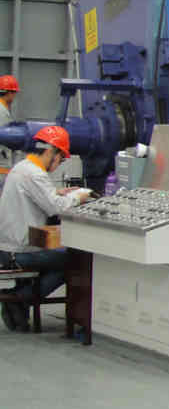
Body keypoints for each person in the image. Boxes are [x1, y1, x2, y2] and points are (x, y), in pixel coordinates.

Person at [0, 125, 90, 331]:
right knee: (77, 260)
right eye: (61, 159)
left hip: (8, 247)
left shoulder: (22, 168)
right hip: (20, 251)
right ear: (51, 152)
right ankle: (21, 298)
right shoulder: (35, 174)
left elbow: (38, 195)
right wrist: (79, 196)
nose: (59, 164)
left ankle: (21, 299)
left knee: (63, 257)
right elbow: (56, 208)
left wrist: (57, 192)